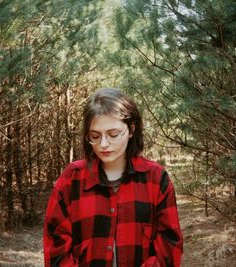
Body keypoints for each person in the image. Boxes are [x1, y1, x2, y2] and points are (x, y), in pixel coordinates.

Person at [43, 88, 183, 267]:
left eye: (113, 134)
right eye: (95, 136)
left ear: (131, 130)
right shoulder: (71, 179)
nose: (103, 144)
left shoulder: (155, 179)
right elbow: (56, 248)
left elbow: (170, 246)